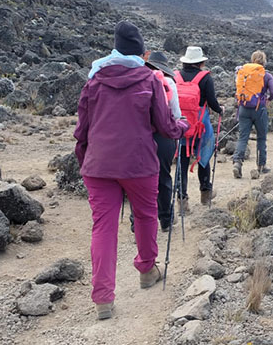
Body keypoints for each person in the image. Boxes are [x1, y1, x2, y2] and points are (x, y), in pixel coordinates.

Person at [74, 21, 188, 320]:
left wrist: (85, 159)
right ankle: (147, 270)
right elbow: (164, 125)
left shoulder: (94, 80)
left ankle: (103, 299)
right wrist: (182, 127)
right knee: (146, 214)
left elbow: (82, 130)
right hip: (138, 163)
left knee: (103, 228)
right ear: (139, 52)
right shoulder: (150, 79)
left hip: (98, 166)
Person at [130, 51, 181, 233]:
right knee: (164, 177)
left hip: (137, 136)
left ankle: (135, 222)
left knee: (137, 179)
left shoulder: (134, 79)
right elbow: (175, 114)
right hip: (163, 137)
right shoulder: (169, 83)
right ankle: (166, 220)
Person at [174, 46, 223, 209]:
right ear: (201, 62)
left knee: (182, 160)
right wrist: (220, 110)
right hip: (201, 124)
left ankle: (182, 200)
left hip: (181, 124)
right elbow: (212, 101)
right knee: (203, 156)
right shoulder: (206, 78)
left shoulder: (176, 77)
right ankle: (205, 193)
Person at [232, 50, 273, 178]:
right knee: (261, 137)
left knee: (243, 137)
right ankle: (261, 165)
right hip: (259, 109)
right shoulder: (266, 75)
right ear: (264, 61)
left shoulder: (244, 73)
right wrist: (268, 100)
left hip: (243, 108)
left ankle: (237, 162)